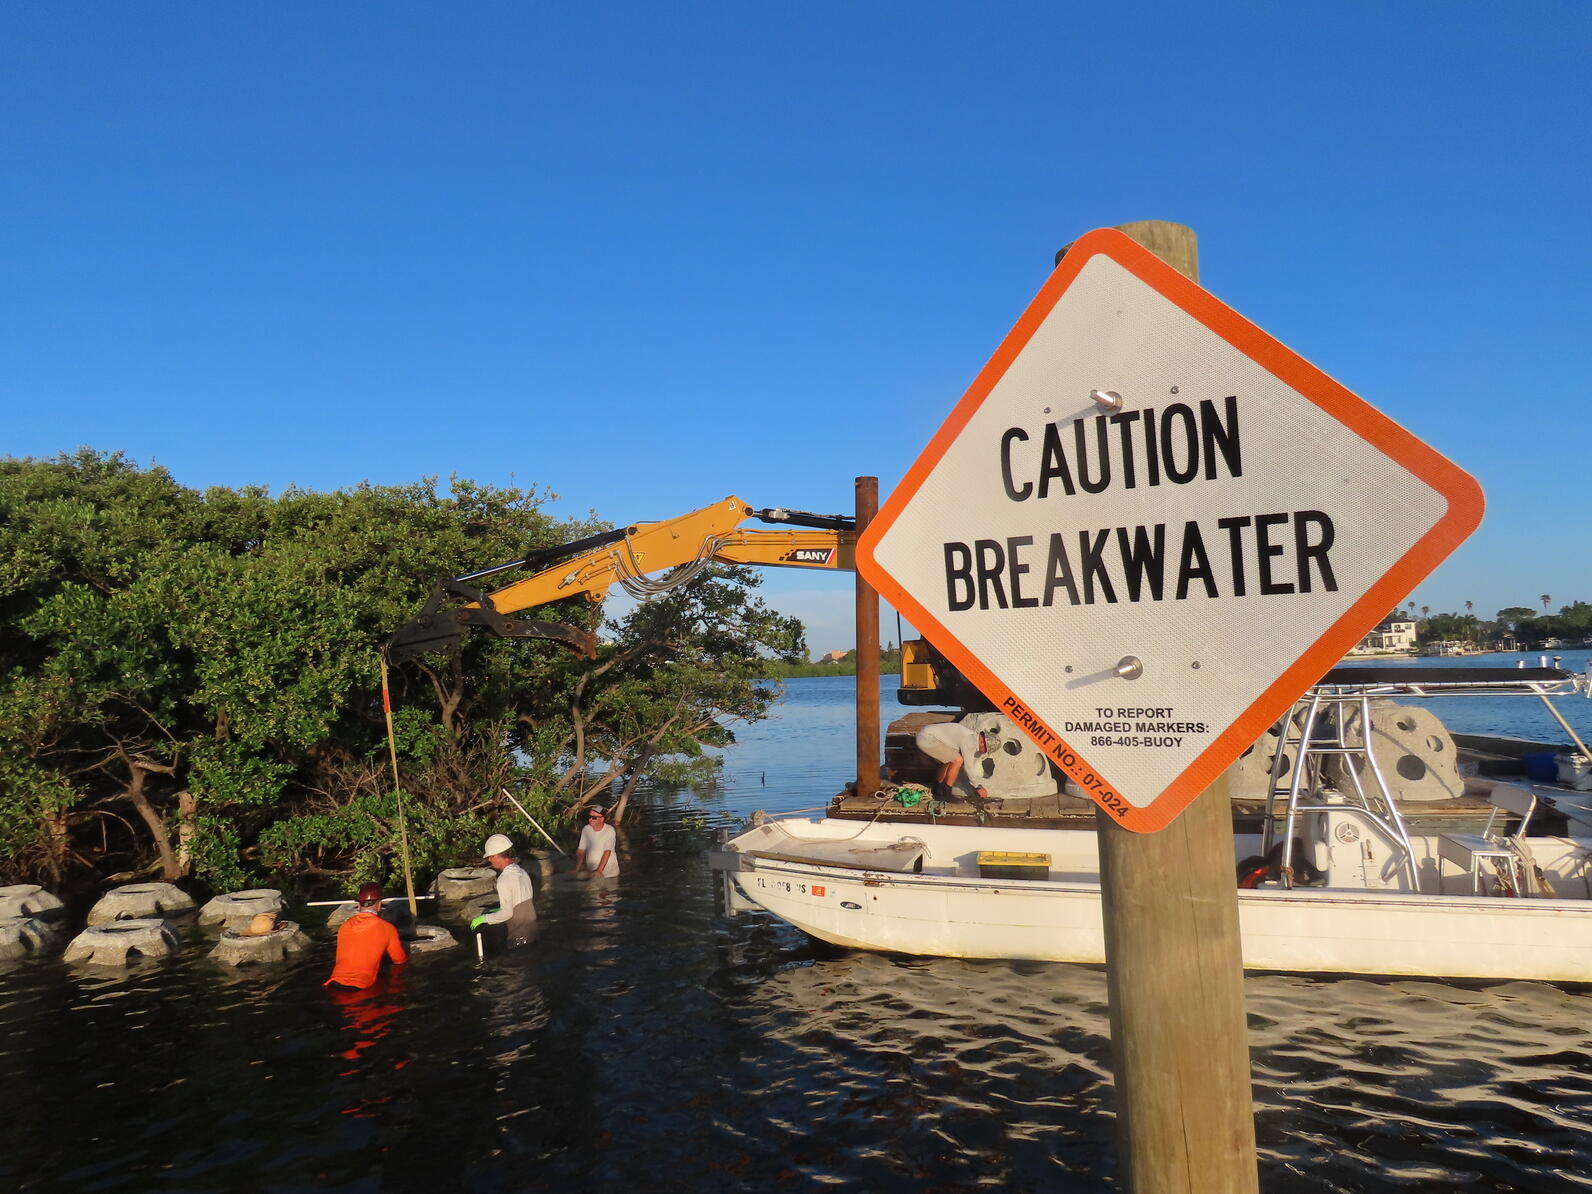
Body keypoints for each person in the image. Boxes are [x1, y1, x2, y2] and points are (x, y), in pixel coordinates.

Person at [325, 882, 408, 990]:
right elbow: (399, 960)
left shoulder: (344, 927)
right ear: (379, 905)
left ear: (359, 905)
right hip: (360, 988)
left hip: (333, 985)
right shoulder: (388, 928)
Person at [471, 833, 539, 947]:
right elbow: (522, 903)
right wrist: (497, 910)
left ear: (497, 855)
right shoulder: (522, 872)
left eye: (490, 856)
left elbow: (507, 914)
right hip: (533, 932)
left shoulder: (504, 880)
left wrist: (484, 918)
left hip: (519, 936)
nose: (489, 860)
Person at [913, 721, 991, 803]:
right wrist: (978, 786)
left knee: (948, 758)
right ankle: (946, 794)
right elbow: (968, 767)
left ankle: (937, 789)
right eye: (986, 750)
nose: (984, 752)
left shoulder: (972, 736)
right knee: (958, 760)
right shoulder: (969, 741)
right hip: (927, 738)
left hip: (926, 735)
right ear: (982, 743)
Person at [573, 805, 620, 879]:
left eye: (594, 817)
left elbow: (607, 852)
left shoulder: (610, 830)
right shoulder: (586, 829)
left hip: (610, 873)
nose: (590, 819)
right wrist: (576, 869)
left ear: (602, 819)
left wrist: (599, 871)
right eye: (589, 817)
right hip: (592, 870)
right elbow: (581, 850)